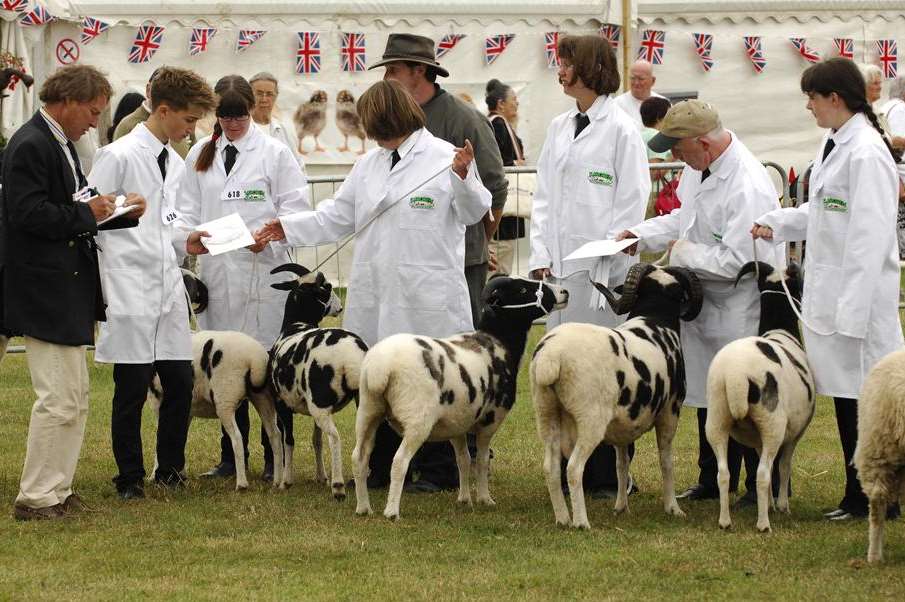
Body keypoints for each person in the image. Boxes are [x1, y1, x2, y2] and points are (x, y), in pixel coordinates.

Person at [257, 81, 489, 491]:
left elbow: (474, 211)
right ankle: (377, 466)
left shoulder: (444, 157)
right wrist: (286, 226)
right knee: (378, 379)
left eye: (371, 122)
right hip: (377, 290)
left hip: (427, 295)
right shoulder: (369, 164)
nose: (367, 131)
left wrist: (464, 176)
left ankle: (438, 470)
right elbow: (337, 215)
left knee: (429, 379)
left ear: (388, 117)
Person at [752, 58, 904, 521]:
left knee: (866, 402)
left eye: (812, 99)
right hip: (831, 294)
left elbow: (870, 235)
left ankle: (871, 496)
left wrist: (852, 310)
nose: (809, 108)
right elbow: (825, 213)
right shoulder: (835, 143)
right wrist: (777, 223)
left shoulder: (867, 153)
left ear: (834, 99)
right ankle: (861, 492)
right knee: (845, 397)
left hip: (857, 302)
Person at [616, 99, 784, 504]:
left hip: (737, 303)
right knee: (710, 391)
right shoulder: (700, 168)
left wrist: (681, 252)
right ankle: (711, 478)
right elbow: (682, 219)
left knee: (743, 396)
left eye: (678, 147)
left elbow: (740, 259)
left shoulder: (746, 183)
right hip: (706, 300)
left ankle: (759, 484)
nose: (673, 156)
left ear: (704, 144)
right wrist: (640, 234)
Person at [1, 65, 147, 520]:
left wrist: (116, 210)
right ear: (65, 101)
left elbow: (69, 204)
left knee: (76, 396)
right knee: (59, 396)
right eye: (91, 110)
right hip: (43, 287)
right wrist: (88, 213)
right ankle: (38, 496)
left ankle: (58, 489)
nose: (94, 120)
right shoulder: (30, 144)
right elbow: (28, 215)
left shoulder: (59, 142)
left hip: (66, 286)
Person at [366, 33, 507, 491]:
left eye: (393, 70)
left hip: (456, 260)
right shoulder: (387, 130)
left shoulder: (461, 118)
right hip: (404, 263)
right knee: (402, 362)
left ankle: (444, 463)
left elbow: (492, 187)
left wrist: (478, 244)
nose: (388, 78)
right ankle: (401, 457)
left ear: (418, 71)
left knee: (444, 362)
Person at [528, 34, 650, 498]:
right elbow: (543, 199)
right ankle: (567, 463)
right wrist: (540, 255)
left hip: (601, 273)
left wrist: (610, 257)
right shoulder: (560, 126)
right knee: (562, 368)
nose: (559, 71)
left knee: (599, 371)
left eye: (566, 64)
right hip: (560, 271)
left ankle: (609, 474)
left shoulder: (621, 129)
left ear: (590, 68)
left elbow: (631, 202)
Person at [89, 67, 217, 500]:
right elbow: (89, 212)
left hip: (165, 283)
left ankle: (171, 469)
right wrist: (124, 205)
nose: (192, 129)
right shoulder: (119, 155)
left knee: (179, 382)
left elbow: (171, 221)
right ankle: (129, 476)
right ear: (163, 111)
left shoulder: (175, 160)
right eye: (188, 120)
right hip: (128, 282)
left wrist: (189, 238)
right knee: (132, 385)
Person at [175, 75, 310, 482]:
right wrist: (189, 237)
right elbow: (183, 211)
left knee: (266, 367)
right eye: (225, 116)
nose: (233, 124)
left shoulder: (274, 153)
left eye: (240, 115)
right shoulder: (200, 153)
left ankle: (277, 457)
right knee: (225, 370)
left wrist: (270, 234)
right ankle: (232, 456)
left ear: (253, 110)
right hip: (219, 275)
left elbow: (297, 208)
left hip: (263, 270)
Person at [485, 78, 527, 275]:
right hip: (502, 214)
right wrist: (514, 165)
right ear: (501, 103)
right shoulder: (499, 125)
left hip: (502, 213)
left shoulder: (496, 124)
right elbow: (494, 163)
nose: (517, 103)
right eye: (514, 99)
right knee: (499, 271)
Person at [114, 68, 195, 159]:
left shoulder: (182, 122)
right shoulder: (128, 125)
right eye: (161, 92)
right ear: (148, 89)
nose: (167, 99)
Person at [249, 72, 304, 170]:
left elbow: (298, 165)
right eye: (259, 93)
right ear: (249, 96)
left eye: (269, 94)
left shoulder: (284, 130)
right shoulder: (240, 129)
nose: (264, 99)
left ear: (276, 96)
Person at [613, 59, 667, 130]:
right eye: (633, 78)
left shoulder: (664, 104)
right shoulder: (616, 105)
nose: (636, 83)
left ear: (653, 80)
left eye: (641, 79)